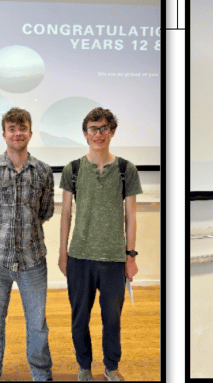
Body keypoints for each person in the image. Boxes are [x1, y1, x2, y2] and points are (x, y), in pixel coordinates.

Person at [59, 107, 142, 381]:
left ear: (112, 132)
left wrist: (130, 256)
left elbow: (131, 216)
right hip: (79, 257)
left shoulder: (125, 169)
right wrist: (63, 253)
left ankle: (110, 367)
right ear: (85, 134)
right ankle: (84, 367)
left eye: (104, 128)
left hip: (113, 258)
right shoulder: (72, 169)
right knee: (79, 317)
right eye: (93, 129)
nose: (99, 134)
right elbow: (66, 214)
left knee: (112, 320)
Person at [0, 108, 54, 381]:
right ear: (4, 133)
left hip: (33, 262)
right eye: (12, 128)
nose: (17, 133)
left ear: (30, 133)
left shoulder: (43, 171)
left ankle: (41, 375)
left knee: (37, 326)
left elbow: (44, 212)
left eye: (22, 129)